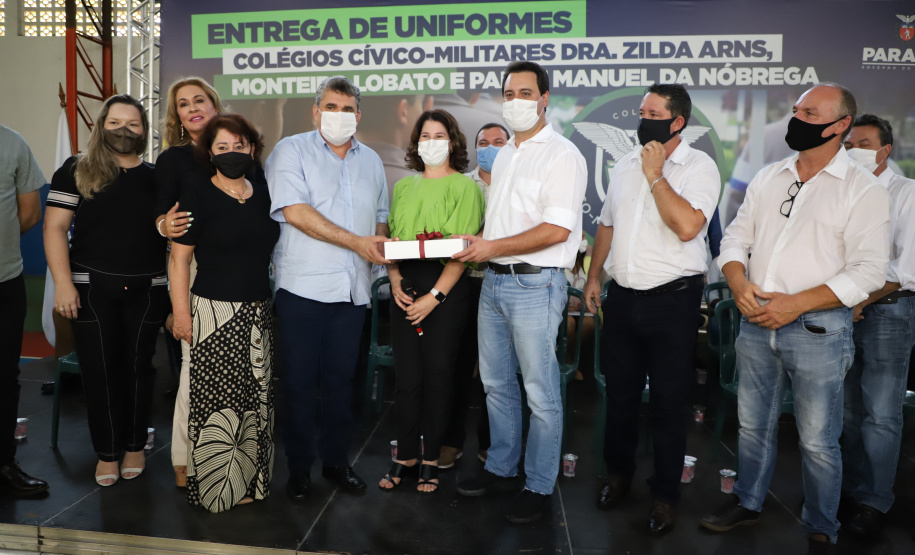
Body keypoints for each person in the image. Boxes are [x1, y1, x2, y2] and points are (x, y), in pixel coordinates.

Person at [699, 84, 891, 555]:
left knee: (818, 440)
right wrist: (739, 284)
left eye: (811, 113)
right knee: (752, 426)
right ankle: (747, 501)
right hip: (755, 323)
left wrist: (797, 303)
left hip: (819, 332)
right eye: (797, 110)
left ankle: (822, 526)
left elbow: (868, 272)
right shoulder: (770, 176)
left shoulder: (863, 189)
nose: (797, 118)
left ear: (841, 125)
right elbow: (734, 239)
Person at [583, 84, 721, 536]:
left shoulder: (699, 167)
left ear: (677, 122)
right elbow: (607, 225)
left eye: (653, 114)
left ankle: (664, 495)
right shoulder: (626, 162)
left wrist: (656, 175)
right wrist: (593, 276)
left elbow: (687, 226)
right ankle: (617, 476)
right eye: (642, 112)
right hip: (623, 298)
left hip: (673, 301)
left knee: (668, 403)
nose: (643, 121)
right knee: (620, 397)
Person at [453, 60, 587, 524]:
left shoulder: (562, 155)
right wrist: (479, 244)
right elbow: (503, 223)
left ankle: (539, 483)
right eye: (509, 94)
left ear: (544, 99)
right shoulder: (506, 153)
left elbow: (556, 230)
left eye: (525, 93)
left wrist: (491, 246)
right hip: (494, 280)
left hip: (536, 282)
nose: (516, 102)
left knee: (540, 391)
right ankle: (501, 466)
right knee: (495, 384)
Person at [266, 76, 389, 501]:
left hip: (353, 290)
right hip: (303, 287)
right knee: (299, 384)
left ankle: (337, 462)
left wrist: (378, 248)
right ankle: (299, 468)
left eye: (348, 109)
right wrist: (358, 243)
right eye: (331, 107)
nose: (340, 115)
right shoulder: (291, 150)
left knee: (341, 383)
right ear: (316, 112)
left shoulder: (371, 160)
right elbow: (295, 212)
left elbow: (380, 218)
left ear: (359, 115)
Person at [44, 94, 168, 486]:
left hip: (148, 290)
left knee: (138, 370)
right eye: (115, 123)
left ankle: (134, 446)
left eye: (133, 124)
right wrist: (63, 284)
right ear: (101, 126)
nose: (123, 130)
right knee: (99, 372)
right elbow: (54, 228)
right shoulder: (75, 169)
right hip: (89, 290)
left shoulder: (158, 177)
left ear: (144, 131)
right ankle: (107, 453)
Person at [169, 114, 279, 513]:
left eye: (240, 145)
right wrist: (182, 315)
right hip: (213, 313)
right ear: (209, 153)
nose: (233, 153)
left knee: (256, 402)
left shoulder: (263, 194)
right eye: (223, 147)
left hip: (259, 312)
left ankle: (253, 482)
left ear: (252, 148)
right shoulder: (197, 194)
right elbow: (179, 261)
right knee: (219, 406)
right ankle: (218, 490)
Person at [378, 109, 484, 492]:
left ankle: (431, 460)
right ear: (416, 142)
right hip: (405, 288)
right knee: (407, 377)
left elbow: (461, 252)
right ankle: (405, 456)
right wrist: (395, 280)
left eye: (439, 136)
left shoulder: (466, 188)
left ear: (452, 143)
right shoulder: (404, 187)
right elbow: (392, 243)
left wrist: (435, 297)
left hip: (446, 291)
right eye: (425, 136)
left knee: (438, 375)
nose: (431, 142)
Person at [840, 114, 915, 538]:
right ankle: (848, 492)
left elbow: (906, 270)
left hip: (888, 311)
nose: (854, 152)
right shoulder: (844, 192)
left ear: (885, 150)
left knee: (881, 415)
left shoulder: (906, 193)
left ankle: (874, 502)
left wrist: (859, 300)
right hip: (843, 310)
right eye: (849, 145)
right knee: (847, 411)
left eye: (863, 144)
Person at [154, 77, 225, 488]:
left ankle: (225, 454)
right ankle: (184, 457)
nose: (193, 107)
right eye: (184, 104)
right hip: (191, 267)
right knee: (193, 364)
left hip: (240, 269)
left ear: (214, 105)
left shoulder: (236, 148)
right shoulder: (173, 159)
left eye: (200, 100)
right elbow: (160, 215)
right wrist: (164, 225)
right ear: (177, 116)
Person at [439, 122, 509, 468]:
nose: (490, 148)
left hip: (503, 283)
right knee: (458, 364)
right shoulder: (461, 184)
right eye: (483, 142)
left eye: (498, 142)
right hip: (463, 282)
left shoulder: (517, 184)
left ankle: (490, 442)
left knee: (496, 371)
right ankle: (450, 441)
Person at [0, 125, 49, 497]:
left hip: (6, 280)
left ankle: (4, 464)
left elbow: (30, 213)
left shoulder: (13, 142)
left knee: (4, 376)